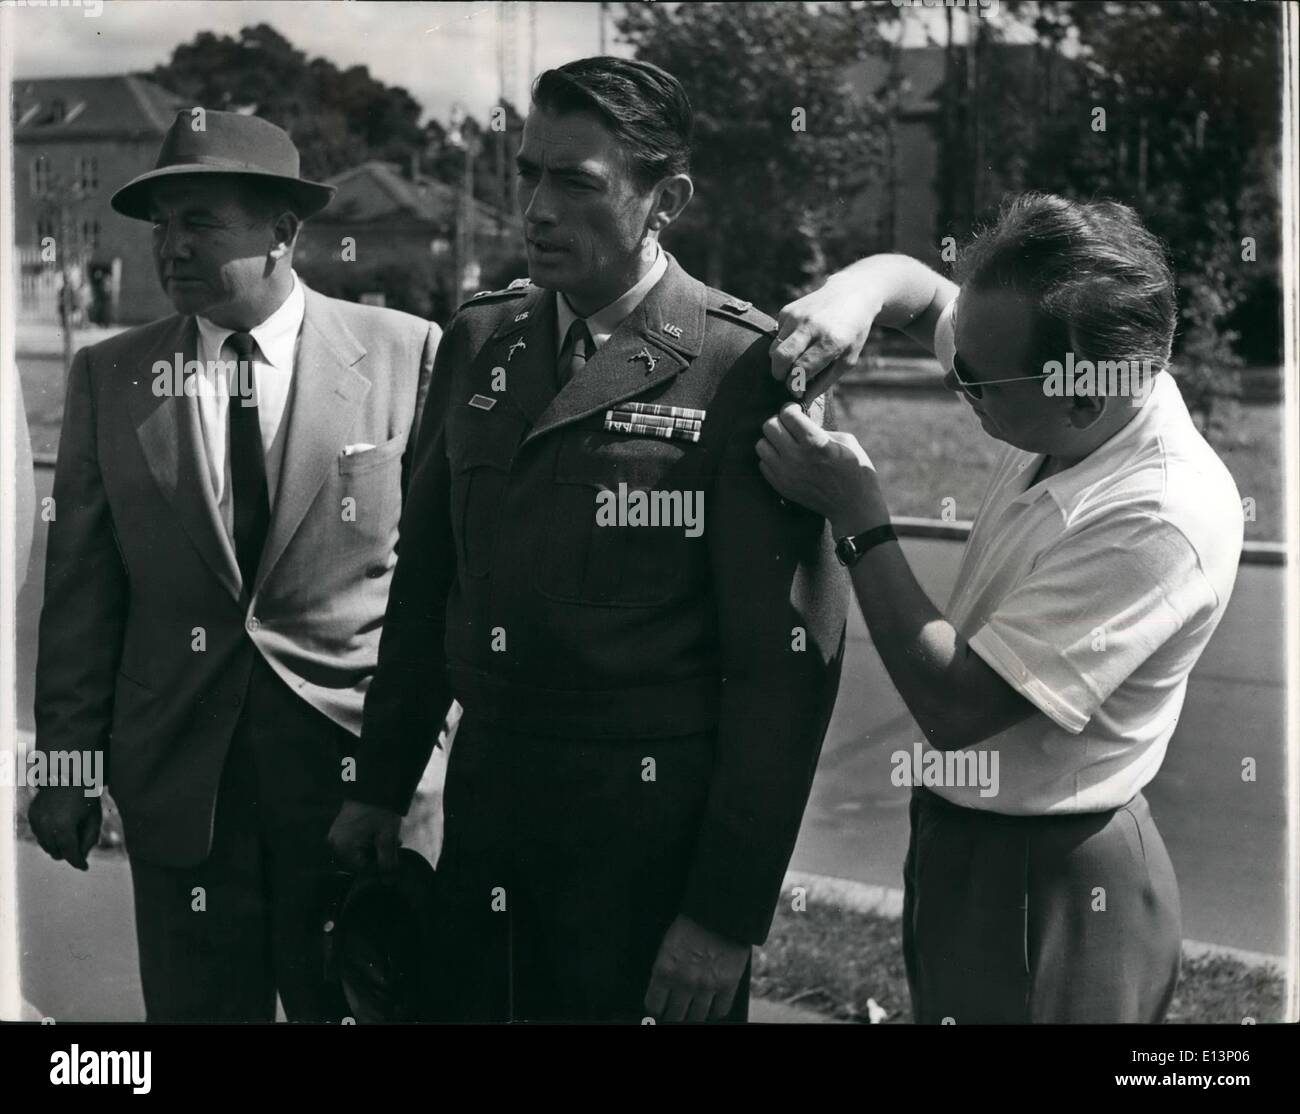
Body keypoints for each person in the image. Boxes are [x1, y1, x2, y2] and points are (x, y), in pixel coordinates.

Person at [329, 56, 848, 1023]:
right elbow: (428, 584)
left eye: (578, 182)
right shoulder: (483, 341)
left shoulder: (745, 371)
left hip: (647, 857)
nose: (537, 207)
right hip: (488, 832)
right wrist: (381, 783)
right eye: (530, 172)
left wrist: (723, 915)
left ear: (667, 200)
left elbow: (785, 672)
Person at [759, 193, 1243, 1023]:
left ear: (1083, 395)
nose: (954, 379)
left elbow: (956, 704)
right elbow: (919, 291)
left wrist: (859, 517)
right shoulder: (1066, 390)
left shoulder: (1162, 515)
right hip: (977, 847)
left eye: (974, 381)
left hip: (1052, 878)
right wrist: (858, 293)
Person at [28, 109, 438, 1022]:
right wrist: (64, 770)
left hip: (354, 794)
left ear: (285, 232)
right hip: (183, 797)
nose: (170, 246)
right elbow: (83, 597)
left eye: (199, 221)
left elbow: (440, 587)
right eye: (161, 225)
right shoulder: (113, 377)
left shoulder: (406, 356)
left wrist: (427, 755)